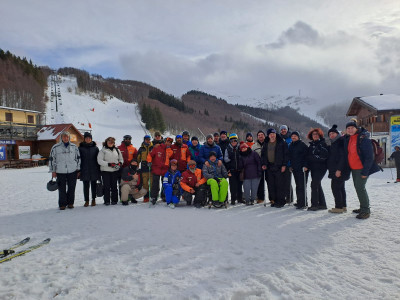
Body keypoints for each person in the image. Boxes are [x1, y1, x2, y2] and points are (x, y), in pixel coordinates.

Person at [343, 120, 381, 219]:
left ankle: (366, 210)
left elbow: (369, 157)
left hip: (361, 169)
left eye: (352, 128)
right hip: (354, 169)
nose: (350, 130)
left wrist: (365, 171)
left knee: (360, 188)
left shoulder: (364, 139)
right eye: (348, 128)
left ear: (356, 128)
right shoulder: (349, 139)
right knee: (358, 188)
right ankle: (362, 207)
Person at [49, 131, 81, 210]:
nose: (66, 138)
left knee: (71, 188)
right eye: (64, 137)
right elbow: (51, 160)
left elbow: (78, 158)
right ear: (61, 138)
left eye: (67, 137)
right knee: (61, 188)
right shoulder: (55, 147)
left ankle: (70, 203)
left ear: (69, 137)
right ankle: (62, 204)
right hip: (60, 171)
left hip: (72, 171)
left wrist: (78, 169)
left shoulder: (74, 147)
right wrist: (53, 171)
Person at [261, 128, 289, 208]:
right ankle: (274, 200)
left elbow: (286, 155)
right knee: (271, 185)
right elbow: (263, 155)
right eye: (270, 134)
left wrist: (284, 165)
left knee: (279, 184)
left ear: (275, 134)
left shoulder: (282, 142)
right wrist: (263, 163)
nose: (272, 135)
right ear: (268, 135)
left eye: (273, 133)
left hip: (279, 166)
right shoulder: (266, 143)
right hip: (269, 166)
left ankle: (281, 201)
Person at [327, 125, 350, 213]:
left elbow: (342, 157)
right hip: (338, 169)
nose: (331, 135)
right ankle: (343, 206)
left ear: (337, 134)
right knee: (341, 188)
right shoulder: (336, 142)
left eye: (333, 133)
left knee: (335, 188)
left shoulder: (340, 142)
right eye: (330, 134)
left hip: (339, 170)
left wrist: (339, 170)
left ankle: (338, 207)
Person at [304, 128, 328, 211]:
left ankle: (314, 205)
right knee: (318, 185)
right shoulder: (311, 145)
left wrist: (312, 158)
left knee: (314, 184)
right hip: (313, 168)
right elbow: (307, 157)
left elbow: (323, 157)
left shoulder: (322, 144)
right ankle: (322, 204)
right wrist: (307, 164)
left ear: (320, 135)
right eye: (314, 134)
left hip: (321, 168)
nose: (315, 136)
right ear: (311, 136)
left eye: (317, 134)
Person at [97, 137, 124, 205]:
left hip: (114, 171)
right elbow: (99, 161)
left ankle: (114, 200)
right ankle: (107, 201)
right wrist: (108, 164)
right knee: (106, 186)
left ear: (114, 143)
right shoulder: (103, 150)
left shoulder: (117, 150)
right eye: (109, 141)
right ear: (106, 142)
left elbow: (121, 159)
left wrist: (119, 163)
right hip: (105, 171)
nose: (110, 143)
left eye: (112, 142)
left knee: (114, 186)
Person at [147, 136, 171, 204]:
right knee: (155, 184)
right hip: (156, 168)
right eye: (167, 141)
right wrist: (149, 161)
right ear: (164, 141)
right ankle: (154, 197)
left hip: (165, 169)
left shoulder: (170, 150)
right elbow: (150, 155)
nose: (168, 143)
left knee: (165, 183)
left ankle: (164, 196)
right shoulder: (157, 147)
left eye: (170, 142)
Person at [78, 132, 100, 207]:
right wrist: (79, 170)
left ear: (91, 139)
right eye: (86, 138)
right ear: (84, 139)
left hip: (94, 169)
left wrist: (98, 169)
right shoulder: (80, 148)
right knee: (86, 186)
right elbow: (78, 160)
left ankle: (93, 199)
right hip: (84, 169)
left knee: (94, 185)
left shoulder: (95, 148)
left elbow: (98, 159)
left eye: (89, 138)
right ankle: (86, 200)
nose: (88, 139)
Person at [288, 131, 309, 209]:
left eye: (295, 136)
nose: (293, 137)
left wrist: (306, 165)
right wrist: (290, 166)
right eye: (292, 136)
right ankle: (299, 201)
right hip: (295, 168)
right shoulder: (291, 145)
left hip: (302, 168)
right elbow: (290, 157)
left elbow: (307, 156)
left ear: (298, 137)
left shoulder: (302, 145)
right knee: (298, 185)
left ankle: (304, 203)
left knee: (302, 185)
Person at [224, 133, 244, 205]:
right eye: (232, 141)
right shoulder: (228, 149)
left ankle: (240, 198)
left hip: (240, 170)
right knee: (232, 185)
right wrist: (230, 163)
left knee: (240, 185)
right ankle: (233, 199)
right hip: (232, 170)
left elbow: (244, 156)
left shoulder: (240, 148)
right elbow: (225, 158)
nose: (233, 142)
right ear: (230, 142)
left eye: (235, 141)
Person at [137, 135, 153, 202]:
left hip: (151, 168)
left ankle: (152, 196)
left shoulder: (153, 147)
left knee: (152, 183)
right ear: (144, 140)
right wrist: (137, 166)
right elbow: (138, 158)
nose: (148, 141)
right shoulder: (141, 149)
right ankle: (146, 197)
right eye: (146, 139)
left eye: (149, 139)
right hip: (144, 168)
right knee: (145, 184)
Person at [280, 125, 293, 204]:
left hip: (288, 164)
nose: (283, 130)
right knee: (282, 182)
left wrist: (291, 164)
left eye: (284, 129)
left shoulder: (291, 138)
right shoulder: (280, 139)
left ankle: (289, 198)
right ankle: (284, 197)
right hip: (281, 164)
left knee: (288, 182)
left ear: (287, 130)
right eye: (282, 129)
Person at [252, 130, 266, 203]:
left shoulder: (268, 143)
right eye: (259, 135)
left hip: (268, 165)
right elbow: (251, 156)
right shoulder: (254, 146)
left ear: (264, 135)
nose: (260, 136)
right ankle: (260, 197)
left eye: (262, 134)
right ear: (257, 137)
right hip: (258, 166)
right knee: (260, 182)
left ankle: (273, 198)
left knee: (271, 183)